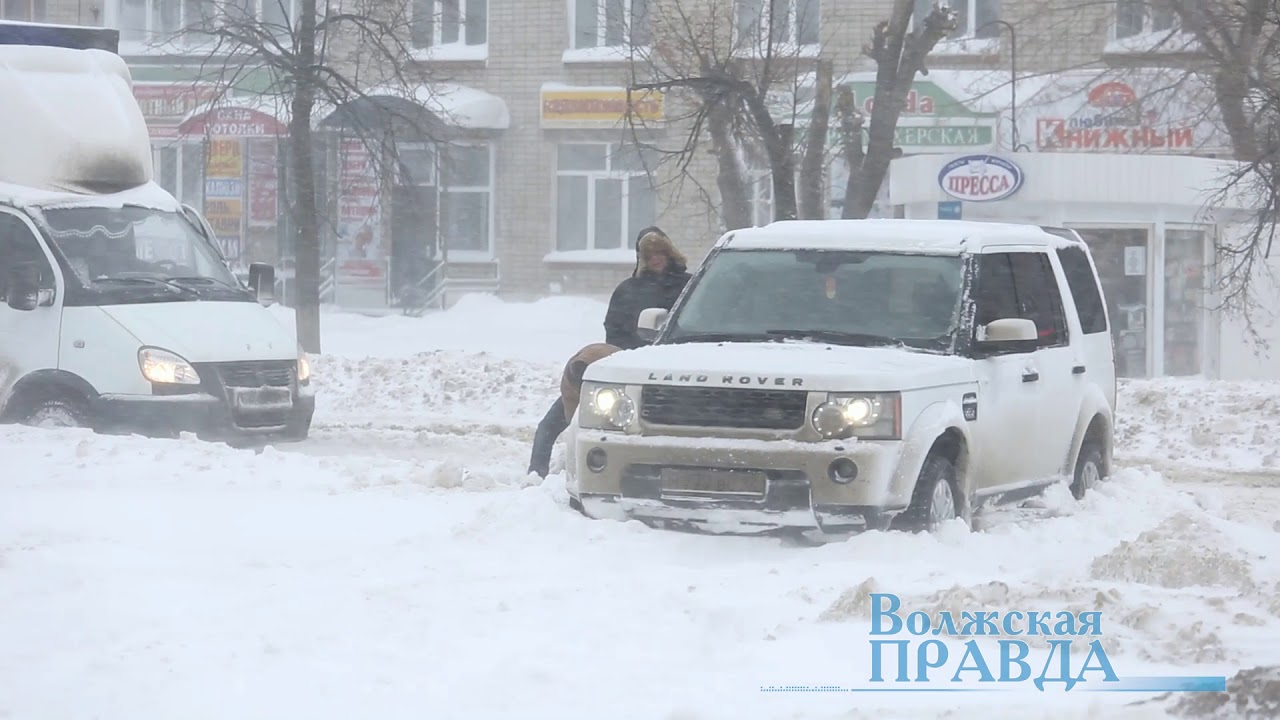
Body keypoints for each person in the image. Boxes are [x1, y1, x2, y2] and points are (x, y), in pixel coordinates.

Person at [527, 342, 621, 478]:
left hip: (614, 395)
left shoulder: (614, 365)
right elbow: (574, 423)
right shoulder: (570, 382)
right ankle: (537, 473)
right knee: (546, 428)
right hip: (582, 392)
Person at [603, 226, 693, 350]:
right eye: (648, 255)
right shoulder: (626, 291)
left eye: (659, 252)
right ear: (642, 259)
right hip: (640, 359)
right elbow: (615, 333)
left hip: (683, 355)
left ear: (669, 253)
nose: (655, 258)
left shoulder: (690, 285)